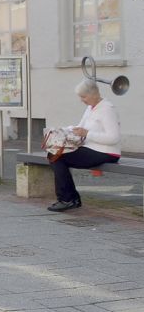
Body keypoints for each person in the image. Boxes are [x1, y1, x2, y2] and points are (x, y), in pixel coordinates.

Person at [47, 79, 121, 212]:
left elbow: (114, 138)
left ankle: (68, 199)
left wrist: (87, 133)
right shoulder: (90, 108)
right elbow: (80, 127)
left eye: (84, 97)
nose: (82, 100)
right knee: (54, 154)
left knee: (57, 157)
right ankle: (69, 198)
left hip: (107, 152)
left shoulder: (107, 109)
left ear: (94, 94)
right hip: (90, 148)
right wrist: (64, 130)